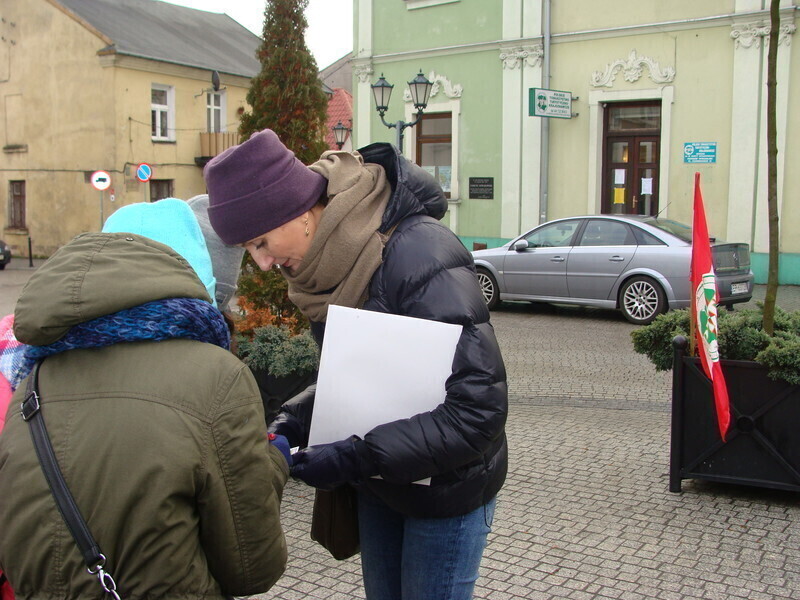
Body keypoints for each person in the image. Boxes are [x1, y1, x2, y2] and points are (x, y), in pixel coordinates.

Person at [203, 129, 508, 600]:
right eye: (248, 251)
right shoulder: (324, 271)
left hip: (446, 490)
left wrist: (352, 455)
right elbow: (357, 375)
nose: (262, 264)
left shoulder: (417, 252)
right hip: (383, 483)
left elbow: (478, 412)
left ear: (301, 214)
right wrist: (293, 421)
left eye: (260, 242)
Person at [0, 199, 290, 599]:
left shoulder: (31, 381)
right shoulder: (217, 379)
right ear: (194, 280)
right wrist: (274, 464)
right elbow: (252, 569)